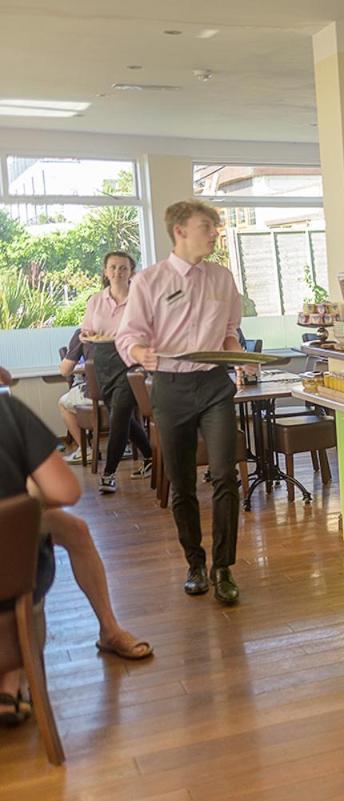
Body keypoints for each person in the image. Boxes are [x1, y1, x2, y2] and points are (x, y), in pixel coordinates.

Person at [116, 200, 247, 605]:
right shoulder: (149, 281)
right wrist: (140, 353)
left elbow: (229, 332)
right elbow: (128, 336)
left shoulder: (222, 278)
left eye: (215, 227)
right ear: (180, 231)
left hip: (214, 384)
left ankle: (223, 567)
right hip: (170, 387)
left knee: (225, 474)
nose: (214, 233)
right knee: (182, 481)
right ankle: (195, 563)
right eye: (206, 226)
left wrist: (240, 356)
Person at [0, 392, 151, 725]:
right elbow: (65, 492)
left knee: (74, 530)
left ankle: (109, 630)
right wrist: (26, 496)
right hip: (12, 589)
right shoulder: (7, 411)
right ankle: (11, 679)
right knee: (27, 552)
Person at [83, 251, 154, 493]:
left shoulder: (140, 299)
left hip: (131, 360)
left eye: (123, 267)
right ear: (105, 271)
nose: (118, 272)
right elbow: (87, 330)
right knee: (120, 416)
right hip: (104, 361)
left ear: (131, 271)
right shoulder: (95, 300)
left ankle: (109, 473)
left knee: (120, 414)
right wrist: (88, 334)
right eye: (113, 267)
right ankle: (151, 457)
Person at [56, 328, 87, 464]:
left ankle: (85, 450)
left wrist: (82, 367)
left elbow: (64, 370)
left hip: (94, 394)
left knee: (63, 403)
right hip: (126, 391)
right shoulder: (125, 329)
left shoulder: (83, 333)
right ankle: (127, 446)